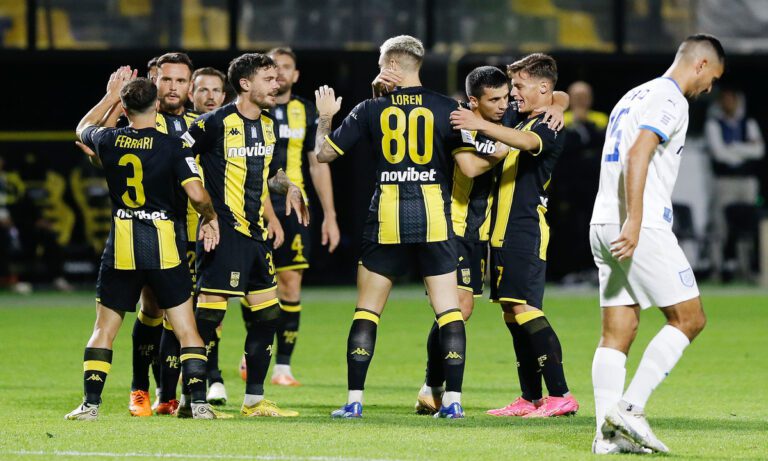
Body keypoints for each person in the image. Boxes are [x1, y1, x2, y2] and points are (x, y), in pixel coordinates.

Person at [315, 35, 480, 419]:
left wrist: (325, 117)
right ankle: (453, 402)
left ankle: (355, 401)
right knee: (449, 311)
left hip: (386, 217)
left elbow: (323, 154)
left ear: (390, 65)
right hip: (434, 218)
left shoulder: (369, 109)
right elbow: (470, 166)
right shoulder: (449, 108)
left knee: (367, 311)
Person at [589, 34, 724, 454]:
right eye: (713, 78)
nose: (710, 88)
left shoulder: (633, 95)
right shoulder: (671, 98)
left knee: (618, 330)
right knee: (690, 318)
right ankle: (630, 409)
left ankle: (606, 437)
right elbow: (638, 153)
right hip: (639, 225)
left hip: (603, 220)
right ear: (701, 64)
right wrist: (635, 219)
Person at [66, 70, 226, 420]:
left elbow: (82, 127)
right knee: (187, 329)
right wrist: (210, 216)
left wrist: (110, 96)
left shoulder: (108, 140)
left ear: (125, 109)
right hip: (164, 247)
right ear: (156, 106)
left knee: (104, 330)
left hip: (122, 247)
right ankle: (199, 404)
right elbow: (197, 194)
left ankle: (90, 405)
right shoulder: (173, 146)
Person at [415, 66, 569, 415]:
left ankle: (532, 396)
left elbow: (554, 94)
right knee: (456, 308)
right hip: (451, 225)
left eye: (507, 96)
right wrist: (499, 147)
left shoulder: (505, 116)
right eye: (495, 99)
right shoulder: (459, 121)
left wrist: (558, 105)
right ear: (474, 101)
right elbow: (469, 168)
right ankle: (433, 387)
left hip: (480, 232)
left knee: (472, 309)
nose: (505, 104)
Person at [181, 53, 309, 418]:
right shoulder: (214, 123)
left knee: (268, 317)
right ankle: (192, 399)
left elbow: (273, 173)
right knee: (208, 320)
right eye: (269, 79)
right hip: (224, 234)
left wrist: (290, 186)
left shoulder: (268, 125)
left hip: (255, 235)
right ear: (245, 84)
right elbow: (178, 153)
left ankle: (253, 400)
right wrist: (205, 212)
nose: (277, 85)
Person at [186, 65, 231, 405]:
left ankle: (211, 376)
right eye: (203, 89)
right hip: (175, 229)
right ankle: (162, 386)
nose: (210, 96)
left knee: (212, 308)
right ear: (192, 93)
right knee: (168, 311)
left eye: (216, 90)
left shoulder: (229, 126)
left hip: (213, 231)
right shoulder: (182, 128)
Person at [550, 81, 608, 283]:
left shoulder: (600, 119)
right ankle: (568, 271)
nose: (581, 101)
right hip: (568, 188)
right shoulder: (561, 119)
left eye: (585, 97)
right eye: (577, 97)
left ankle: (593, 269)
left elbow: (603, 145)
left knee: (594, 228)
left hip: (594, 187)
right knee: (568, 228)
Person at [705, 86, 764, 281]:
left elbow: (759, 151)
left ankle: (745, 269)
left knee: (746, 226)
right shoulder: (714, 124)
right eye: (725, 99)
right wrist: (745, 151)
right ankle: (716, 268)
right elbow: (719, 153)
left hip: (747, 182)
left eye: (732, 99)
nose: (728, 103)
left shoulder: (749, 123)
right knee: (720, 226)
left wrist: (734, 147)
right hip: (724, 182)